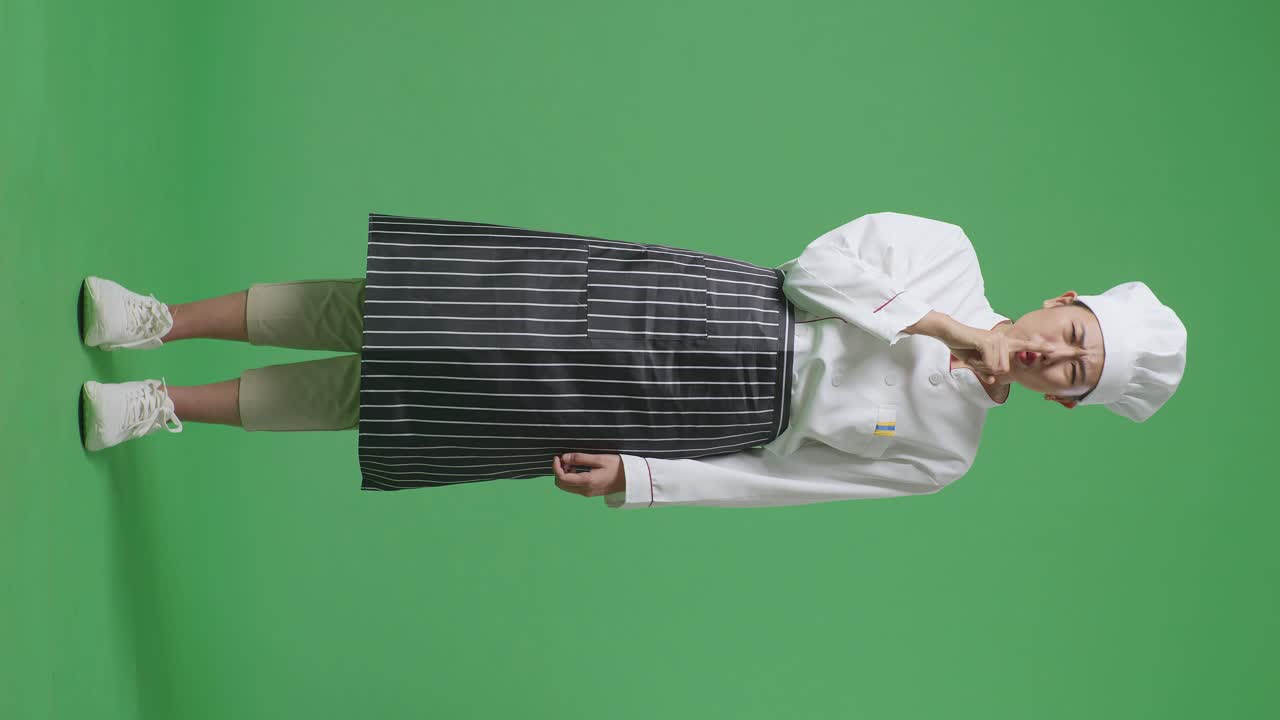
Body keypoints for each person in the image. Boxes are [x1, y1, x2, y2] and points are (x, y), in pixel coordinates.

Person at [79, 212, 1187, 510]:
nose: (1052, 356)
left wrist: (648, 479)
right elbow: (815, 271)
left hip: (685, 416)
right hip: (691, 305)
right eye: (1071, 336)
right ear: (1061, 301)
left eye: (1071, 374)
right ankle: (158, 320)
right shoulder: (944, 253)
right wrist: (954, 330)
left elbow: (788, 482)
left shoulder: (946, 454)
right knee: (407, 307)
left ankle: (161, 403)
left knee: (406, 402)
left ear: (1063, 402)